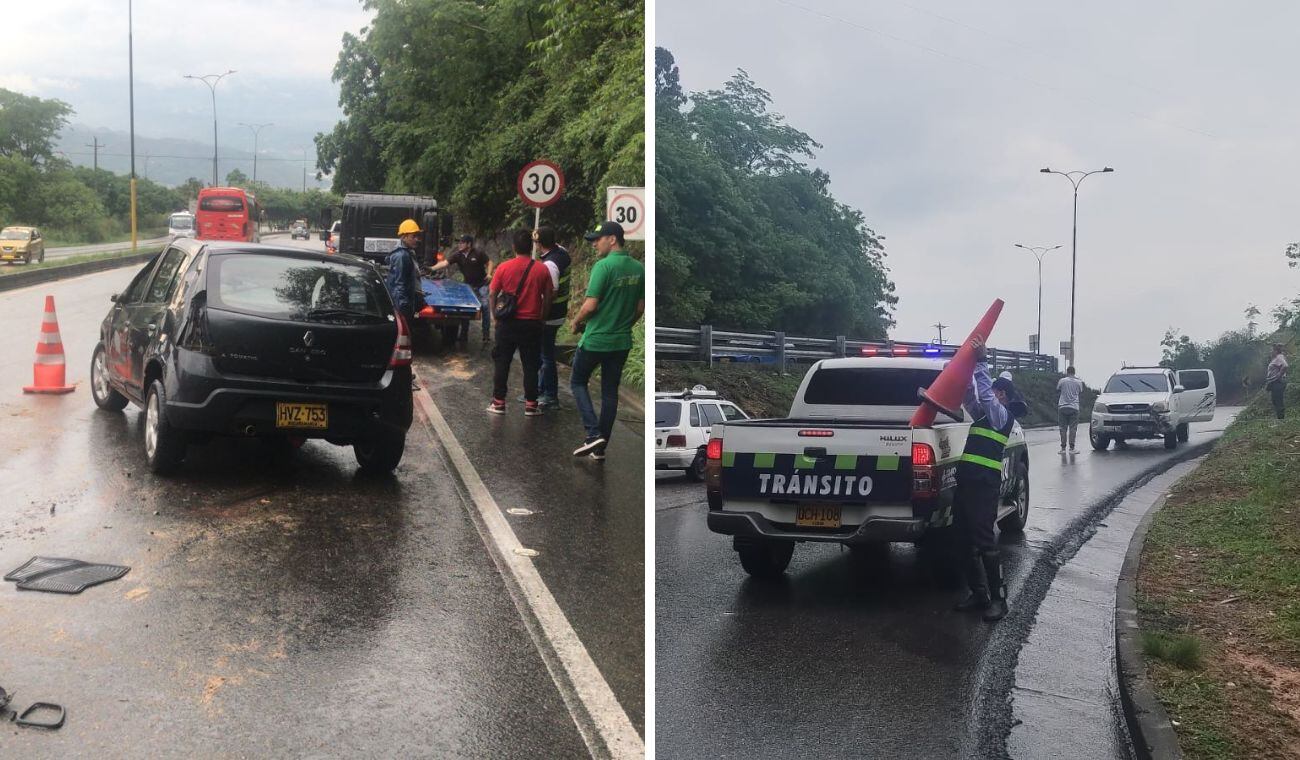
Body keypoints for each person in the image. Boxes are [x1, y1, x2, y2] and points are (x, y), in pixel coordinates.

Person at [953, 336, 1027, 623]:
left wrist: (982, 361)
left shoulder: (1001, 416)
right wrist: (963, 367)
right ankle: (979, 594)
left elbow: (983, 394)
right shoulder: (983, 415)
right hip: (967, 482)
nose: (990, 394)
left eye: (995, 391)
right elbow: (970, 396)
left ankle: (999, 599)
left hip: (984, 485)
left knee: (985, 542)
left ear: (1002, 396)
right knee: (963, 540)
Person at [570, 221, 645, 461]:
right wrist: (623, 325)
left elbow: (590, 305)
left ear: (612, 239)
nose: (594, 244)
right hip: (621, 342)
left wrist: (576, 322)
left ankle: (593, 434)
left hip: (596, 340)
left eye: (598, 240)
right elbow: (640, 308)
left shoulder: (603, 266)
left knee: (577, 381)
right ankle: (600, 448)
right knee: (610, 393)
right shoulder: (639, 268)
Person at [487, 229, 553, 416]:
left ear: (513, 247)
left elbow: (492, 294)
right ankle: (531, 405)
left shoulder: (503, 267)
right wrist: (542, 318)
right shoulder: (542, 269)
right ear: (532, 246)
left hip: (507, 323)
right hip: (531, 324)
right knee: (531, 365)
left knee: (502, 363)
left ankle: (499, 403)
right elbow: (548, 296)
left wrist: (494, 316)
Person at [429, 234, 494, 344]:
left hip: (482, 284)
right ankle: (464, 334)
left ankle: (486, 334)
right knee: (465, 309)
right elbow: (445, 263)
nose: (459, 244)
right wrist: (431, 268)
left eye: (462, 242)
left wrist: (489, 274)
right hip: (468, 286)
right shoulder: (458, 255)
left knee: (485, 306)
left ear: (469, 244)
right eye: (459, 242)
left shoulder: (478, 253)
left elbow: (490, 262)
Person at [535, 227, 572, 408]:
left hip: (550, 315)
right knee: (545, 353)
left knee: (546, 356)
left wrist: (541, 317)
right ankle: (540, 390)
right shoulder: (562, 252)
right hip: (560, 312)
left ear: (540, 244)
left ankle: (550, 395)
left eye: (536, 242)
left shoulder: (550, 265)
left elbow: (551, 294)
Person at [384, 219, 425, 324]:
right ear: (403, 237)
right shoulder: (401, 256)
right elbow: (399, 284)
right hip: (402, 305)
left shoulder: (409, 252)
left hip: (408, 300)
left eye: (417, 236)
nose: (417, 239)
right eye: (413, 236)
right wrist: (404, 307)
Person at [1056, 366, 1085, 452]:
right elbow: (1080, 391)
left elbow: (1058, 388)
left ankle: (1063, 448)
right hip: (1074, 407)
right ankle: (1072, 448)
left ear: (1067, 372)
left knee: (1062, 428)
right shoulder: (1079, 382)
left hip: (1062, 406)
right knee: (1073, 428)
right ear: (1074, 372)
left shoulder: (1062, 381)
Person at [1266, 343, 1289, 420]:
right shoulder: (1276, 358)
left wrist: (1279, 375)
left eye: (1271, 350)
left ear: (1275, 351)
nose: (1270, 351)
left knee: (1278, 401)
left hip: (1278, 382)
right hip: (1274, 382)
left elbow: (1285, 365)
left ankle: (1281, 419)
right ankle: (1280, 418)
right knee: (1275, 400)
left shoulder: (1279, 357)